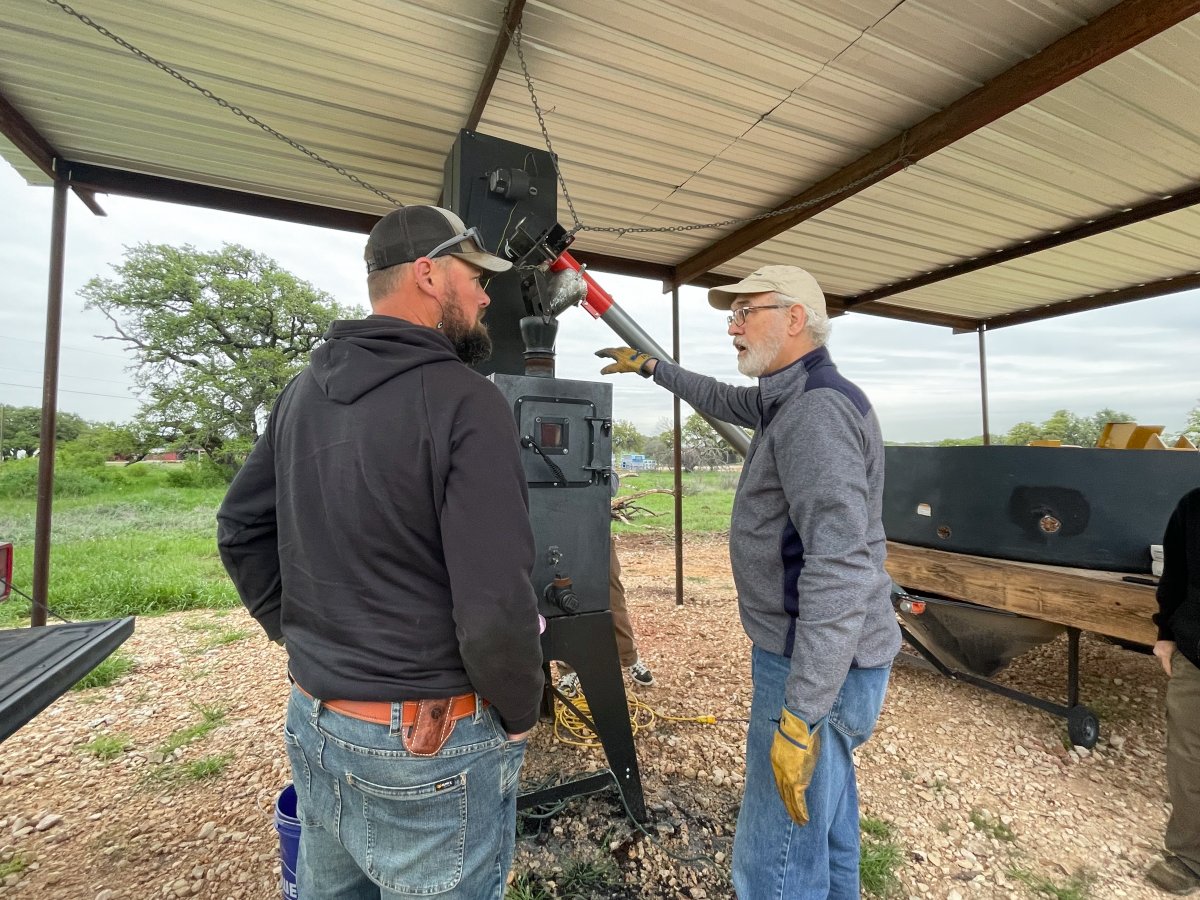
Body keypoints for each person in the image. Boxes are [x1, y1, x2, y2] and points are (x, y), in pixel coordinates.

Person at [217, 205, 545, 900]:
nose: (487, 296)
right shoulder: (468, 400)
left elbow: (240, 531)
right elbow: (493, 606)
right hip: (426, 747)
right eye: (475, 278)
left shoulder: (301, 393)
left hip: (317, 717)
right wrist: (521, 711)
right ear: (428, 275)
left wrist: (305, 637)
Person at [597, 264, 901, 899]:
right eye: (730, 314)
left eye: (745, 312)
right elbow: (720, 398)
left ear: (795, 319)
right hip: (827, 658)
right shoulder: (788, 394)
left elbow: (840, 567)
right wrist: (653, 368)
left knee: (776, 860)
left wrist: (801, 713)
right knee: (824, 829)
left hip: (811, 665)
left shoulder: (815, 414)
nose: (731, 326)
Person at [1147, 487, 1200, 895]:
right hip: (1196, 657)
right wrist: (1166, 632)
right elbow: (1176, 575)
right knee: (1189, 759)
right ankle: (1190, 859)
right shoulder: (1194, 505)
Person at [556, 534, 655, 695]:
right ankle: (570, 670)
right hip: (559, 532)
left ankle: (629, 656)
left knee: (613, 595)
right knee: (564, 597)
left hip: (596, 529)